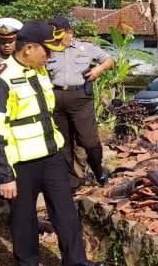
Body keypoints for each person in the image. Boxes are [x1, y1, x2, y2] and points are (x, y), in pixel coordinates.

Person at [0, 20, 105, 266]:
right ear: (28, 49)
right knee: (24, 220)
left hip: (51, 156)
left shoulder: (39, 71)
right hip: (21, 163)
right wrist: (4, 176)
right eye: (46, 50)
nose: (50, 56)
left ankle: (76, 261)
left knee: (66, 212)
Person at [46, 16, 114, 192]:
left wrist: (98, 69)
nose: (59, 40)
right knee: (63, 144)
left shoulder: (86, 47)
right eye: (55, 37)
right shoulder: (47, 49)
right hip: (55, 97)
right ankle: (73, 181)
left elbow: (108, 59)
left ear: (70, 32)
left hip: (80, 97)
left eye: (61, 36)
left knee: (89, 141)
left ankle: (99, 171)